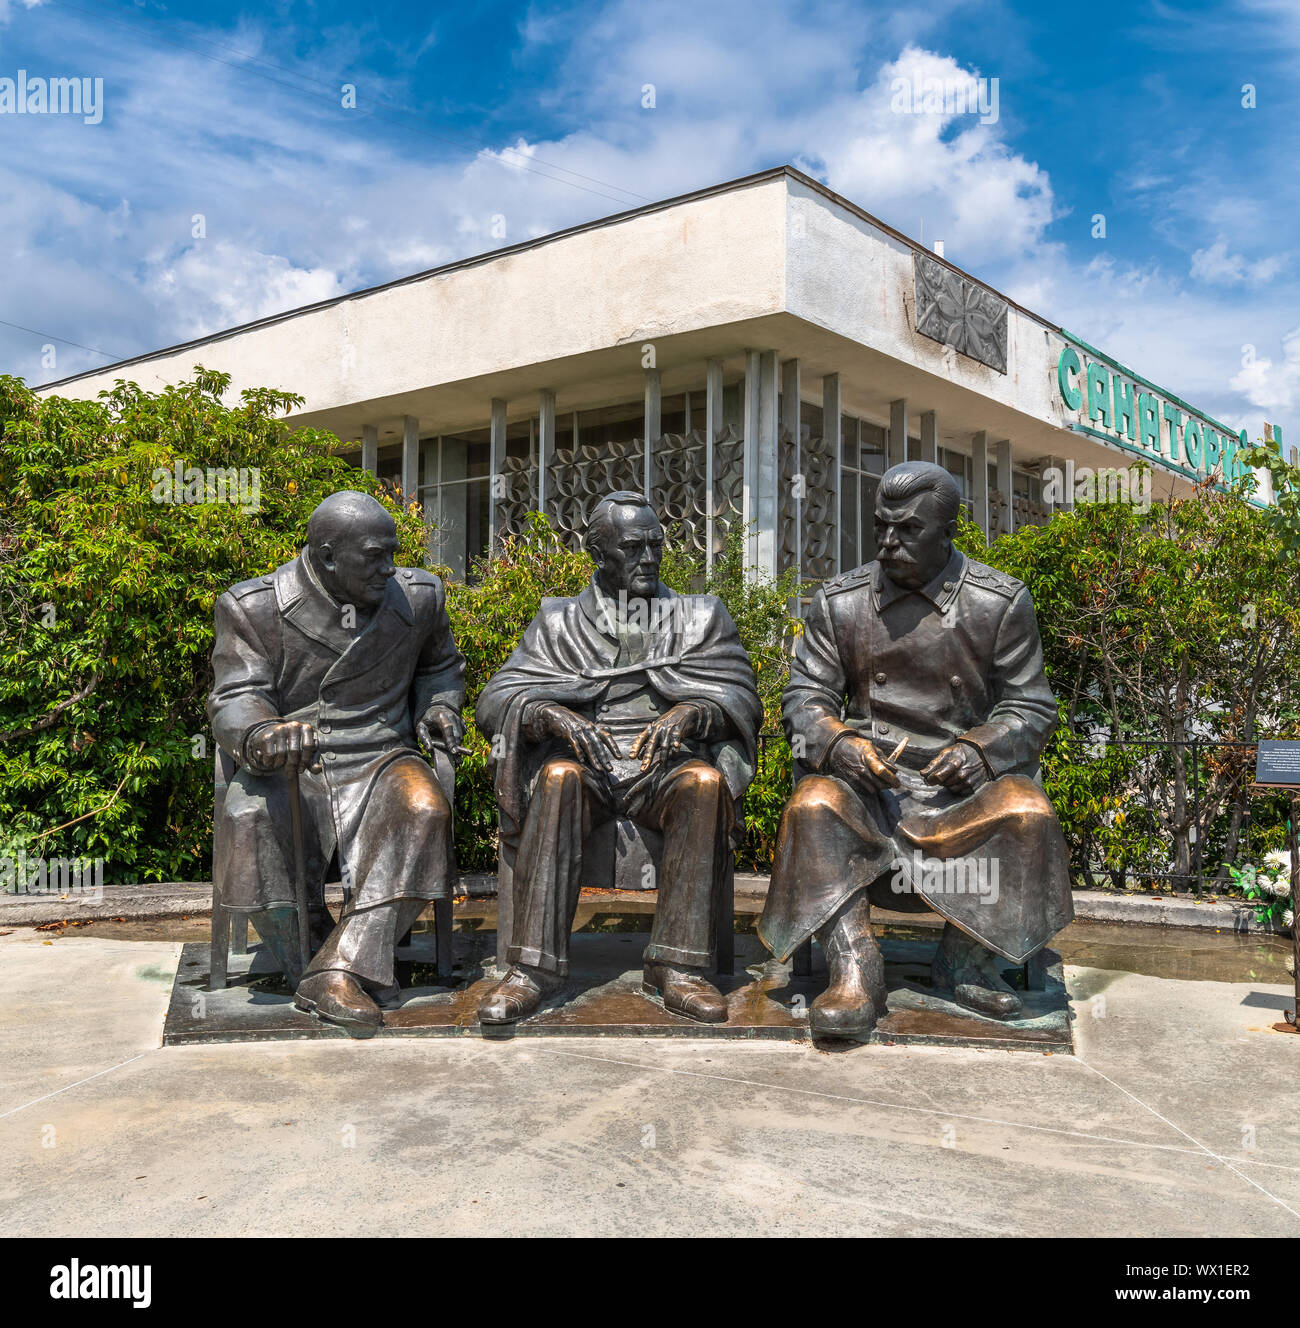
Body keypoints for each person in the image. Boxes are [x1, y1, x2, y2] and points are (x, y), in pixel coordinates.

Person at [759, 461, 1072, 1037]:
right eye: (881, 526)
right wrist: (839, 743)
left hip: (958, 793)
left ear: (947, 531)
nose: (887, 542)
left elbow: (1030, 707)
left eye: (907, 530)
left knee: (1028, 812)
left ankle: (969, 961)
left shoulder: (999, 603)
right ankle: (856, 967)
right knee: (812, 803)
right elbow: (805, 696)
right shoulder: (840, 602)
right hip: (870, 787)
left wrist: (981, 751)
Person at [475, 491, 761, 1025]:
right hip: (587, 767)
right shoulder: (557, 622)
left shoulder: (699, 617)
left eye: (656, 545)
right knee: (557, 776)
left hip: (664, 767)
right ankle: (534, 971)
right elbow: (496, 700)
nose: (649, 559)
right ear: (597, 552)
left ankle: (676, 968)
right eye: (634, 548)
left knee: (703, 783)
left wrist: (695, 712)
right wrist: (550, 715)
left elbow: (743, 695)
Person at [208, 491, 465, 1035]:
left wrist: (440, 707)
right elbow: (237, 694)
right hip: (292, 759)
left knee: (425, 809)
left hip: (382, 753)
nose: (389, 568)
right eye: (374, 556)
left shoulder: (417, 599)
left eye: (392, 553)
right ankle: (319, 960)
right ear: (326, 557)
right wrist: (261, 733)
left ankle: (334, 969)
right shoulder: (254, 607)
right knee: (248, 818)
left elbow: (440, 668)